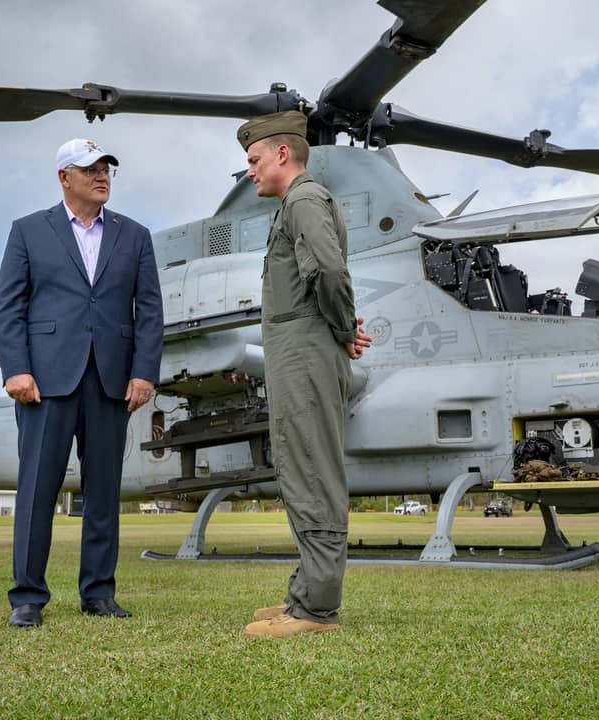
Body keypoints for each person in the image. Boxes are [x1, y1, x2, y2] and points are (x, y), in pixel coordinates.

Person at [0, 138, 163, 628]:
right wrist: (16, 369)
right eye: (89, 169)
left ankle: (99, 593)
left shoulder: (135, 235)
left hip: (112, 381)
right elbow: (10, 308)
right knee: (37, 491)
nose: (101, 175)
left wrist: (144, 371)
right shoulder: (28, 231)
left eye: (106, 167)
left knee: (104, 491)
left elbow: (149, 312)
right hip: (44, 381)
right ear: (64, 177)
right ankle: (27, 597)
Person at [236, 111, 371, 639]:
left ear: (282, 154)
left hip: (305, 351)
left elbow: (331, 272)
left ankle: (316, 608)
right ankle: (304, 593)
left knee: (312, 471)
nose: (249, 171)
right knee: (300, 467)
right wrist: (339, 326)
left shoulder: (305, 200)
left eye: (254, 159)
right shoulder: (297, 204)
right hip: (300, 349)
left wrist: (339, 328)